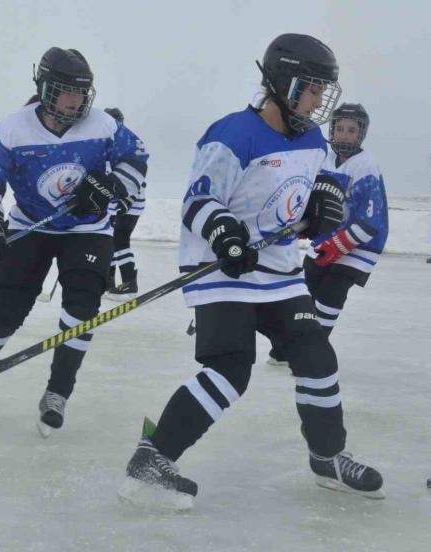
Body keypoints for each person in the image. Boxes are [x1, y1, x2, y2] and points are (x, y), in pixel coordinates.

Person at [117, 34, 384, 511]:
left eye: (323, 91)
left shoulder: (313, 140)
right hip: (222, 269)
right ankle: (153, 457)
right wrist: (224, 232)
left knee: (317, 357)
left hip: (280, 272)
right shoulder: (232, 134)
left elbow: (307, 199)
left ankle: (328, 457)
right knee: (231, 369)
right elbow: (198, 201)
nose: (319, 101)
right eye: (313, 89)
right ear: (284, 82)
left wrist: (320, 210)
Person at [0, 47, 149, 439]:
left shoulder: (103, 125)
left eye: (82, 92)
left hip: (87, 230)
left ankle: (57, 393)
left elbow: (136, 156)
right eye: (67, 91)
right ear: (46, 88)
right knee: (9, 306)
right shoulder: (12, 128)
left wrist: (113, 185)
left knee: (82, 309)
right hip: (31, 225)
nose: (76, 101)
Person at [267, 103, 389, 367]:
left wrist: (340, 243)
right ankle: (286, 348)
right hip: (327, 239)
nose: (345, 135)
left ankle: (313, 352)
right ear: (332, 130)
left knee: (330, 295)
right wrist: (304, 223)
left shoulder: (366, 166)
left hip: (361, 245)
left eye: (352, 130)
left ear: (361, 134)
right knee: (304, 294)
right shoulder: (324, 158)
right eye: (340, 129)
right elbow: (311, 198)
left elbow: (371, 220)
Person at [102, 107, 147, 300]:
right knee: (112, 240)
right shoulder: (116, 141)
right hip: (120, 202)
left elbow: (138, 174)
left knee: (119, 240)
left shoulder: (123, 142)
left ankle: (129, 282)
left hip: (128, 202)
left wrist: (128, 199)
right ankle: (108, 281)